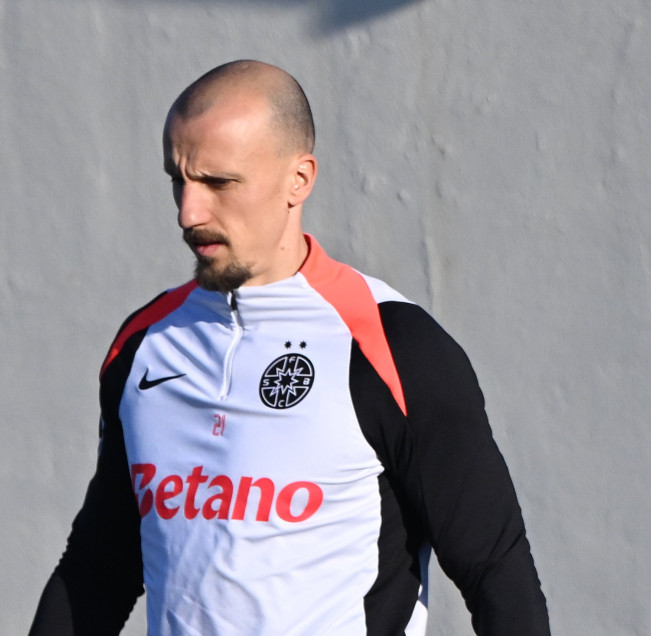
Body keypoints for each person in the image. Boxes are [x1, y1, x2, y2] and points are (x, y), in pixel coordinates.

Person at [30, 60, 550, 636]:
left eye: (218, 182)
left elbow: (496, 571)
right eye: (178, 180)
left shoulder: (392, 345)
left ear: (298, 180)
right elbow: (98, 569)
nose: (188, 213)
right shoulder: (143, 345)